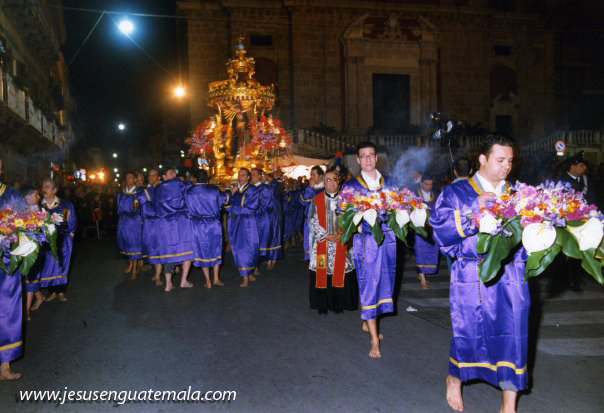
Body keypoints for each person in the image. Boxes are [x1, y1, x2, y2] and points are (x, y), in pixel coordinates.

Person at [430, 134, 528, 413]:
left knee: (514, 333)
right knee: (469, 330)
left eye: (510, 160)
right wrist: (475, 210)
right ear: (483, 159)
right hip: (472, 273)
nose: (507, 166)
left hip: (512, 274)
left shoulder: (519, 194)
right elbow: (440, 229)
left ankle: (509, 402)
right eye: (500, 160)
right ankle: (454, 378)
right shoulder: (456, 193)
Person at [341, 141, 397, 358]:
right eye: (363, 156)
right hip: (365, 242)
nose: (367, 159)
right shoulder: (351, 187)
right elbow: (344, 215)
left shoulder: (389, 183)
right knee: (369, 284)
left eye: (371, 155)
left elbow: (398, 208)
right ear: (358, 160)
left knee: (384, 282)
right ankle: (374, 339)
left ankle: (368, 319)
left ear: (376, 158)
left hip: (388, 241)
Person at [308, 168, 357, 313]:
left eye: (334, 179)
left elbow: (352, 219)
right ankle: (322, 304)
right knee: (321, 271)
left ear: (338, 182)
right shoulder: (316, 199)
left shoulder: (346, 199)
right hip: (322, 243)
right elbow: (311, 220)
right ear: (323, 182)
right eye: (327, 180)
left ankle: (339, 304)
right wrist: (325, 235)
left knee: (341, 272)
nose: (331, 182)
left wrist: (344, 234)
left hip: (341, 243)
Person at [154, 167, 194, 292]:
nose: (174, 175)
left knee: (169, 252)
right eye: (172, 173)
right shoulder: (182, 184)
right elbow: (191, 194)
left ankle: (168, 284)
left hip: (166, 225)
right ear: (165, 176)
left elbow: (156, 208)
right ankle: (183, 281)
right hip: (182, 223)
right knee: (187, 251)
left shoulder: (158, 188)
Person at [185, 171, 227, 288]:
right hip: (213, 224)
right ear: (207, 179)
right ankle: (216, 279)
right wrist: (229, 191)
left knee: (202, 250)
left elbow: (185, 208)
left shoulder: (189, 191)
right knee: (216, 249)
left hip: (197, 225)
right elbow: (223, 201)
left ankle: (208, 280)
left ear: (195, 178)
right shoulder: (214, 190)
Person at [559, 151, 593, 292]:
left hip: (584, 220)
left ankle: (578, 276)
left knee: (582, 249)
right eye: (582, 165)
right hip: (569, 222)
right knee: (570, 253)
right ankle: (571, 281)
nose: (585, 168)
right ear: (573, 167)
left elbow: (591, 198)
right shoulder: (562, 181)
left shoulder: (584, 179)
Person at [38, 179, 77, 303]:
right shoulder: (39, 206)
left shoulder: (65, 204)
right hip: (46, 241)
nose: (44, 189)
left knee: (61, 265)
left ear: (55, 190)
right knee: (49, 265)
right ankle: (52, 292)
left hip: (62, 241)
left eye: (47, 187)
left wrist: (69, 237)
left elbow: (71, 222)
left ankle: (61, 292)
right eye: (43, 187)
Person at [0, 174, 23, 380]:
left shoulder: (12, 195)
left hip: (6, 262)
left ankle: (4, 365)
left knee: (6, 309)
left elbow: (25, 226)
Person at [225, 168, 259, 288]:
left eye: (243, 175)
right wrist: (230, 193)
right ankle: (246, 274)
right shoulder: (235, 189)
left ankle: (247, 274)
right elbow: (227, 206)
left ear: (248, 177)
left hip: (248, 222)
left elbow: (251, 207)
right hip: (236, 222)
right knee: (239, 248)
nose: (240, 177)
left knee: (249, 247)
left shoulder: (252, 189)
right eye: (239, 175)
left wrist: (235, 196)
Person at [19, 185, 45, 320]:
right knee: (24, 277)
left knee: (31, 277)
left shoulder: (39, 211)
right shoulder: (17, 210)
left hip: (35, 250)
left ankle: (26, 310)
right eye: (36, 195)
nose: (39, 197)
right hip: (21, 248)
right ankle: (39, 296)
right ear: (27, 196)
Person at [414, 174, 440, 289]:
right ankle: (423, 278)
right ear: (421, 183)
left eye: (431, 184)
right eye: (426, 184)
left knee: (433, 251)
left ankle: (421, 273)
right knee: (420, 251)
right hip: (419, 228)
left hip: (433, 228)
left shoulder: (437, 196)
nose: (429, 187)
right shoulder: (414, 195)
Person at [138, 168, 162, 286]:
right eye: (149, 175)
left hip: (158, 223)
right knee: (151, 248)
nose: (151, 177)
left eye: (154, 175)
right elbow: (137, 204)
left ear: (158, 177)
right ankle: (156, 273)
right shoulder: (146, 190)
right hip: (147, 223)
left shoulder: (161, 190)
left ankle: (158, 276)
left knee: (158, 249)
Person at [117, 173, 142, 279]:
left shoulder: (138, 193)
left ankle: (135, 268)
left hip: (134, 220)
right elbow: (118, 208)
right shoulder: (121, 193)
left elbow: (139, 208)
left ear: (135, 179)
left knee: (134, 243)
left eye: (130, 177)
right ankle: (130, 264)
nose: (128, 179)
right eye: (126, 177)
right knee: (126, 242)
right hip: (123, 221)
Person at [299, 166, 325, 260]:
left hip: (321, 222)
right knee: (309, 244)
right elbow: (302, 201)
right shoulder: (309, 188)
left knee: (320, 245)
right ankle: (312, 264)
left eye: (314, 175)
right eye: (311, 175)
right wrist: (310, 188)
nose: (311, 177)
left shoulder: (326, 188)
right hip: (309, 221)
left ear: (321, 176)